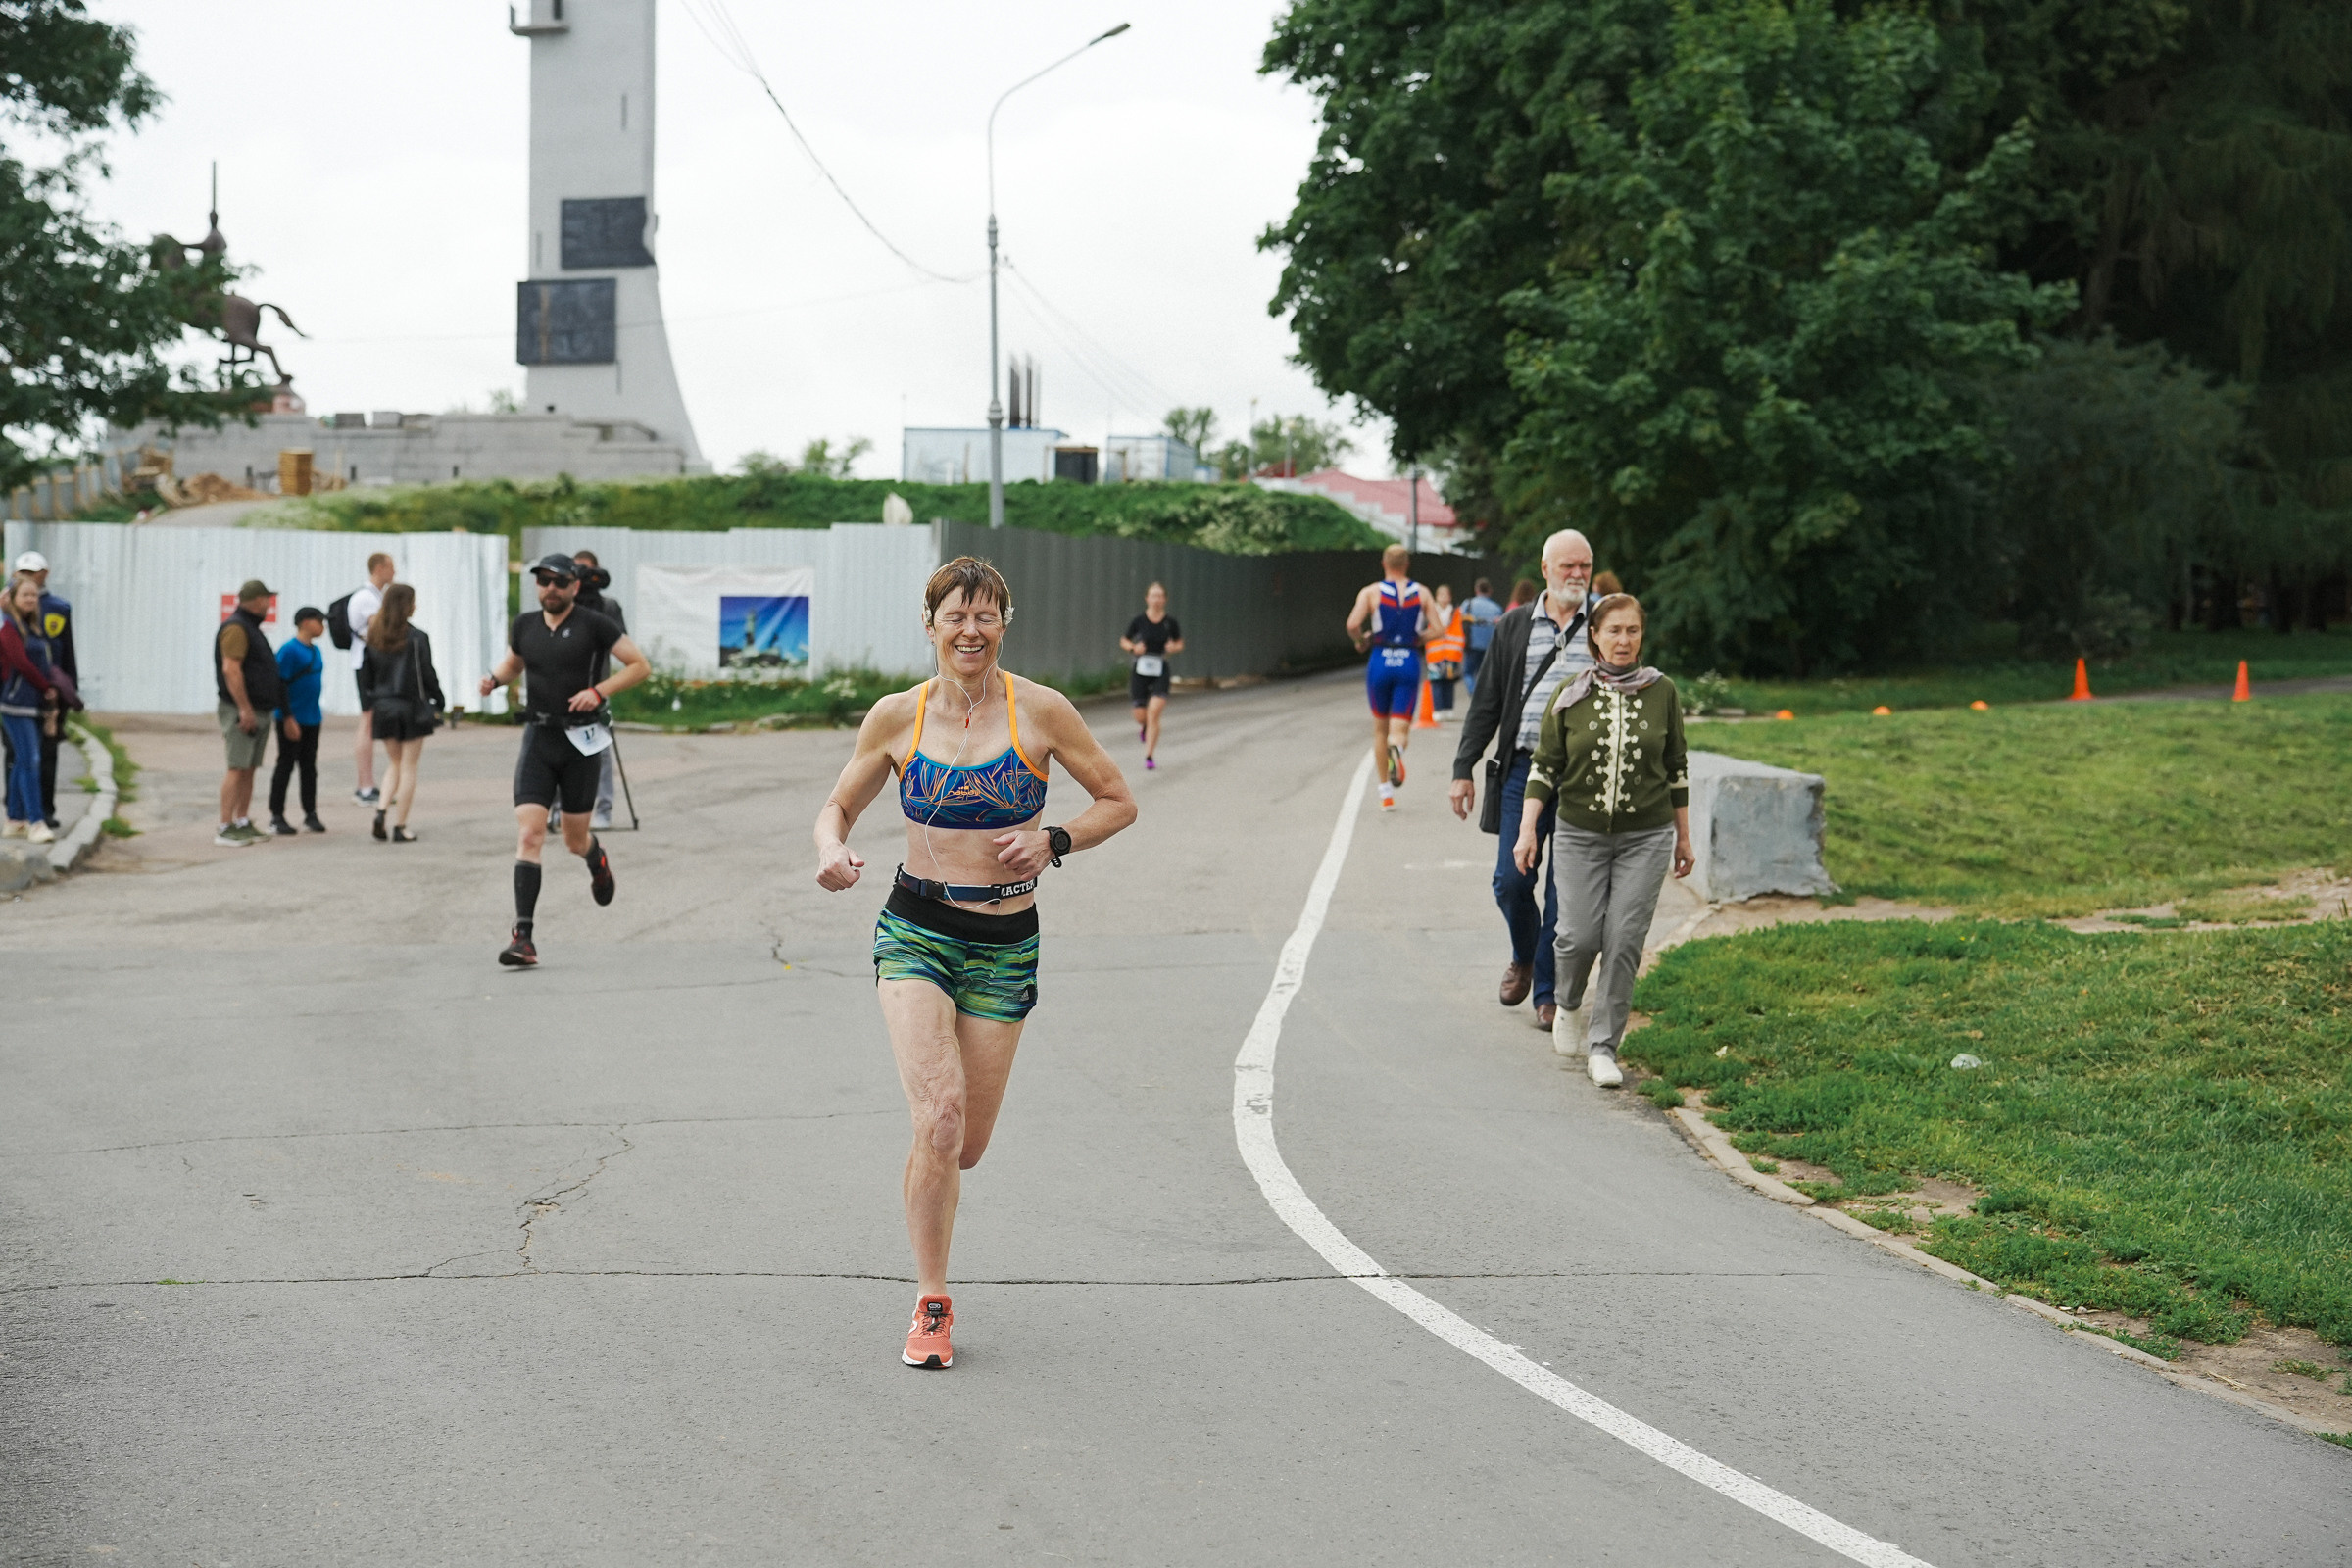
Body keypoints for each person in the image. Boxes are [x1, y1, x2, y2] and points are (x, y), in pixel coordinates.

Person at [812, 556, 1137, 1370]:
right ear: (930, 626)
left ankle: (931, 1162)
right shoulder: (897, 716)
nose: (970, 630)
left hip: (1004, 943)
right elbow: (838, 803)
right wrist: (829, 847)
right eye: (955, 616)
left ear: (1003, 624)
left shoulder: (1045, 711)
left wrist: (1052, 838)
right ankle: (931, 1300)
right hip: (916, 928)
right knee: (941, 1114)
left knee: (965, 1146)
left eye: (985, 616)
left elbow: (1119, 800)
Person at [1511, 594, 1692, 1085]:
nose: (1623, 640)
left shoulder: (1663, 692)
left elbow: (1676, 768)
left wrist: (1684, 837)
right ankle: (1568, 1002)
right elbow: (1544, 768)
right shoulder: (1571, 693)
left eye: (1632, 631)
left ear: (1641, 636)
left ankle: (1603, 1047)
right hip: (1579, 835)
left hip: (1647, 838)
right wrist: (1528, 829)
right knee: (1576, 937)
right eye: (1614, 630)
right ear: (1595, 634)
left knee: (1623, 940)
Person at [1446, 530, 1597, 1028]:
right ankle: (1525, 955)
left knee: (1563, 891)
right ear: (1546, 568)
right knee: (1511, 881)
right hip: (1521, 770)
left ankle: (1547, 994)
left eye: (1584, 566)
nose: (1577, 574)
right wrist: (1462, 768)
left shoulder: (1602, 625)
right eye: (1568, 566)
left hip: (1581, 780)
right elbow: (1487, 700)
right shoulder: (1514, 626)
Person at [478, 555, 651, 966]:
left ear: (575, 586)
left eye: (558, 581)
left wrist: (598, 691)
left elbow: (640, 666)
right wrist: (496, 679)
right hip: (539, 738)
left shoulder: (596, 624)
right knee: (530, 836)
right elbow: (516, 662)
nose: (550, 588)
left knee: (575, 840)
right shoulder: (525, 626)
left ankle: (596, 858)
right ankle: (524, 938)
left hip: (580, 743)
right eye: (543, 581)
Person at [1346, 544, 1440, 812]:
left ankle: (1385, 792)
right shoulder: (1421, 593)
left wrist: (1361, 640)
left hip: (1380, 659)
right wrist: (1419, 638)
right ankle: (1396, 749)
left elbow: (1352, 624)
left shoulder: (1371, 592)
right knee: (1398, 730)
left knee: (1379, 728)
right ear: (1407, 564)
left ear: (1383, 564)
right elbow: (1439, 629)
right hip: (1407, 659)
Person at [359, 583, 445, 843]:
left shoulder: (374, 637)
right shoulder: (417, 638)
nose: (416, 606)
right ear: (406, 605)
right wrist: (439, 699)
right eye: (413, 601)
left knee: (394, 763)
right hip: (412, 706)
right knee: (409, 767)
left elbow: (366, 678)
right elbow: (427, 673)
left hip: (384, 706)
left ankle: (382, 809)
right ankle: (401, 825)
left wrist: (375, 700)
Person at [215, 579, 284, 848]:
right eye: (267, 599)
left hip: (258, 709)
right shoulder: (236, 628)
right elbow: (231, 669)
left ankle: (242, 821)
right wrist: (244, 708)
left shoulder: (251, 628)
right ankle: (224, 825)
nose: (269, 604)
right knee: (237, 767)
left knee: (249, 768)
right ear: (256, 600)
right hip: (241, 710)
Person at [13, 551, 76, 830]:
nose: (28, 580)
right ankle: (19, 813)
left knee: (46, 754)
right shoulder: (7, 611)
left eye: (32, 573)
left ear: (44, 574)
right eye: (22, 573)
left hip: (49, 693)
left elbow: (65, 654)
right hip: (16, 695)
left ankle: (45, 810)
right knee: (18, 756)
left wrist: (69, 690)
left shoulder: (58, 608)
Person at [0, 576, 62, 844]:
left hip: (33, 704)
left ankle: (14, 819)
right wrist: (45, 685)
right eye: (25, 595)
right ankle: (36, 822)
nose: (30, 599)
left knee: (23, 761)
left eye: (34, 595)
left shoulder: (33, 627)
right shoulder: (8, 627)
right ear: (12, 599)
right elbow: (21, 663)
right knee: (30, 761)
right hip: (14, 704)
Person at [572, 549, 626, 830]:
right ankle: (559, 808)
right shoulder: (565, 605)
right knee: (563, 752)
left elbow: (620, 643)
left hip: (597, 687)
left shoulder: (608, 607)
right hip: (566, 688)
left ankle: (603, 809)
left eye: (586, 571)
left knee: (601, 751)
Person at [268, 607, 330, 835]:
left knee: (309, 767)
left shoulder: (316, 651)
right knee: (285, 765)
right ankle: (276, 815)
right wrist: (287, 717)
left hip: (312, 717)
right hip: (292, 718)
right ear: (304, 623)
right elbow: (279, 684)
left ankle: (310, 812)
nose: (323, 627)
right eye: (319, 622)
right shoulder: (289, 650)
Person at [345, 553, 394, 805]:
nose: (394, 573)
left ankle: (370, 784)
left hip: (372, 663)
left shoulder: (376, 596)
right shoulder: (365, 598)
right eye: (391, 567)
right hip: (366, 663)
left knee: (371, 720)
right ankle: (365, 786)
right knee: (367, 720)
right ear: (379, 568)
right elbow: (380, 631)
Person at [1119, 580, 1184, 770]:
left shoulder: (1170, 623)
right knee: (1141, 715)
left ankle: (1149, 755)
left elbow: (1180, 642)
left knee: (1154, 712)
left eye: (1160, 596)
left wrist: (1174, 647)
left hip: (1160, 668)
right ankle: (1145, 726)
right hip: (1141, 668)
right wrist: (1133, 647)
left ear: (1165, 599)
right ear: (1147, 598)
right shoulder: (1139, 621)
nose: (1157, 599)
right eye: (1153, 595)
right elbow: (1124, 640)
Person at [1424, 583, 1465, 718]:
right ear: (1436, 597)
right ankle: (1438, 709)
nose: (1443, 598)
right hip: (1435, 653)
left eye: (1446, 595)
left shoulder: (1456, 612)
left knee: (1449, 682)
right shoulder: (1430, 611)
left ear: (1450, 597)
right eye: (1441, 595)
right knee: (1436, 682)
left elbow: (1460, 631)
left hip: (1452, 653)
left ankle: (1448, 709)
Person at [1461, 576, 1502, 694]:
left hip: (1472, 644)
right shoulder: (1496, 608)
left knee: (1468, 673)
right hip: (1489, 646)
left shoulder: (1467, 604)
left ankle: (1474, 693)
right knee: (1484, 674)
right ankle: (1483, 696)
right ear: (1489, 590)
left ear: (1476, 589)